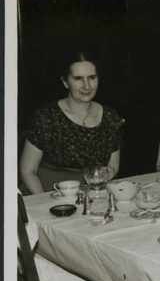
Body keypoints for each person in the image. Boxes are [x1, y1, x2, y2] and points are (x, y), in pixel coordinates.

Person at [19, 51, 124, 194]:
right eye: (78, 79)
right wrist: (43, 202)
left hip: (93, 194)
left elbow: (113, 167)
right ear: (65, 82)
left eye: (92, 77)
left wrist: (96, 187)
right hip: (48, 193)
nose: (87, 86)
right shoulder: (47, 115)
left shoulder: (110, 116)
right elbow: (27, 171)